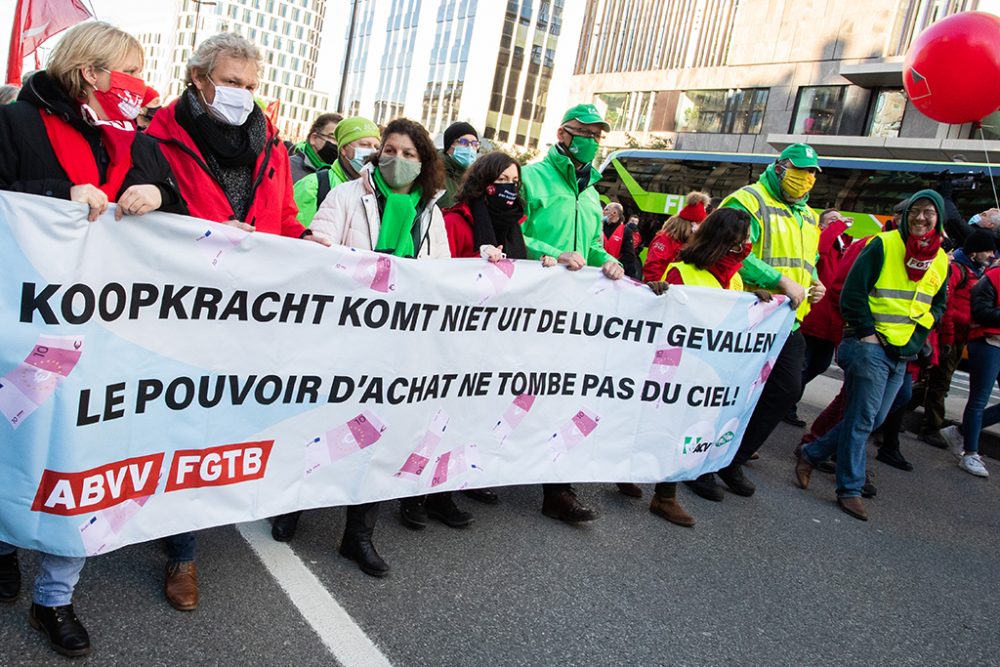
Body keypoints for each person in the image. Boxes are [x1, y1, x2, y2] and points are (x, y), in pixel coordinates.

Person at [0, 21, 182, 657]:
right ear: (88, 73)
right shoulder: (17, 124)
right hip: (30, 329)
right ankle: (2, 543)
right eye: (125, 72)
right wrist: (56, 195)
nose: (136, 87)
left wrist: (158, 192)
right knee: (16, 441)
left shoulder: (137, 140)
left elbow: (184, 216)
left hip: (111, 335)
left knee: (81, 458)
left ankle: (56, 595)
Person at [145, 32, 328, 611]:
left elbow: (282, 219)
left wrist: (308, 241)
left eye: (250, 86)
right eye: (230, 83)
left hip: (250, 310)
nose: (241, 95)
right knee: (184, 426)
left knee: (224, 424)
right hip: (182, 305)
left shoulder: (270, 144)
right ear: (199, 80)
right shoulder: (157, 139)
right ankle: (182, 553)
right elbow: (149, 219)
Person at [310, 117, 450, 574]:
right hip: (345, 335)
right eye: (390, 149)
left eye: (410, 154)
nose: (398, 160)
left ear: (423, 162)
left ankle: (359, 534)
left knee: (373, 432)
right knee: (321, 422)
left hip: (399, 342)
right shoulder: (348, 196)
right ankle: (291, 505)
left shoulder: (431, 213)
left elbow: (442, 277)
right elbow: (318, 248)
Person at [795, 190, 948, 520]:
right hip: (869, 347)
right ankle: (849, 488)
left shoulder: (941, 259)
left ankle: (812, 452)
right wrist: (867, 334)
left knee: (873, 419)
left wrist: (922, 330)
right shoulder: (881, 244)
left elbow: (939, 303)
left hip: (902, 352)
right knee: (863, 419)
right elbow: (850, 292)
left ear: (939, 219)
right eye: (915, 211)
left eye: (929, 213)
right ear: (904, 215)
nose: (921, 218)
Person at [685, 144, 825, 502]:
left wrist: (814, 283)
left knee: (786, 390)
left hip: (787, 320)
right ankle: (698, 463)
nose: (806, 178)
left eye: (812, 172)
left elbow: (807, 261)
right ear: (779, 168)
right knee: (727, 393)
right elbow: (730, 251)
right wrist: (779, 282)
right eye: (800, 170)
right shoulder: (748, 200)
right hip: (748, 312)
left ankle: (732, 458)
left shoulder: (808, 215)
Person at [520, 103, 624, 523]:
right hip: (528, 308)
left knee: (566, 397)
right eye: (587, 132)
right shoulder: (530, 177)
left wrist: (608, 262)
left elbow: (592, 247)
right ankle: (478, 472)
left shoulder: (593, 193)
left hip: (575, 316)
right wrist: (553, 254)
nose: (594, 142)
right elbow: (516, 234)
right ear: (564, 133)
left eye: (599, 136)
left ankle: (558, 490)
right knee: (512, 391)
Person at [645, 208, 769, 527]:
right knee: (659, 425)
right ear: (723, 240)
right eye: (742, 241)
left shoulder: (737, 277)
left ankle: (664, 495)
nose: (747, 247)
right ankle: (649, 484)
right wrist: (657, 294)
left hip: (711, 371)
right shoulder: (681, 271)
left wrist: (754, 303)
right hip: (676, 368)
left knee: (683, 427)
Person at [917, 231, 994, 448]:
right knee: (940, 382)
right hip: (949, 335)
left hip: (960, 336)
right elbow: (946, 306)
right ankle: (930, 428)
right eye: (987, 250)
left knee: (934, 380)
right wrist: (965, 325)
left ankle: (898, 412)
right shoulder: (958, 270)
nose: (990, 255)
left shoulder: (975, 271)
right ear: (974, 252)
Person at [785, 209, 854, 426]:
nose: (839, 221)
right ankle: (788, 404)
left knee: (820, 364)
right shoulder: (821, 241)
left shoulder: (843, 248)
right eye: (832, 219)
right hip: (814, 318)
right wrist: (837, 227)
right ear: (822, 226)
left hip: (832, 322)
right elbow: (821, 247)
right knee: (803, 364)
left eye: (839, 219)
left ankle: (788, 401)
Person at [939, 252, 1000, 478]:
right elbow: (980, 311)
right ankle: (970, 453)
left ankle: (960, 432)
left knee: (979, 400)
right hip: (988, 343)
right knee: (979, 398)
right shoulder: (994, 276)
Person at [292, 116, 380, 227]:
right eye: (364, 145)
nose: (372, 151)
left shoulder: (378, 192)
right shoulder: (312, 186)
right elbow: (297, 235)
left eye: (376, 147)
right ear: (343, 149)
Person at [642, 192, 709, 283]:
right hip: (660, 289)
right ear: (691, 224)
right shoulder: (665, 239)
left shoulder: (685, 241)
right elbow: (652, 266)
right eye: (699, 224)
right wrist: (659, 286)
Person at [289, 112, 342, 183]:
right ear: (314, 138)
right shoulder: (289, 167)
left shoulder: (340, 175)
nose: (337, 144)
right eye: (332, 137)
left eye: (340, 140)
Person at [437, 121, 479, 208]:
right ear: (449, 145)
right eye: (463, 142)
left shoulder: (474, 180)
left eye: (475, 144)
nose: (470, 148)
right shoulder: (434, 171)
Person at [602, 202, 641, 279]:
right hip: (596, 267)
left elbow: (629, 255)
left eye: (606, 210)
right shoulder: (599, 226)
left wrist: (615, 264)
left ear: (614, 213)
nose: (603, 212)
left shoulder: (626, 231)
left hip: (612, 271)